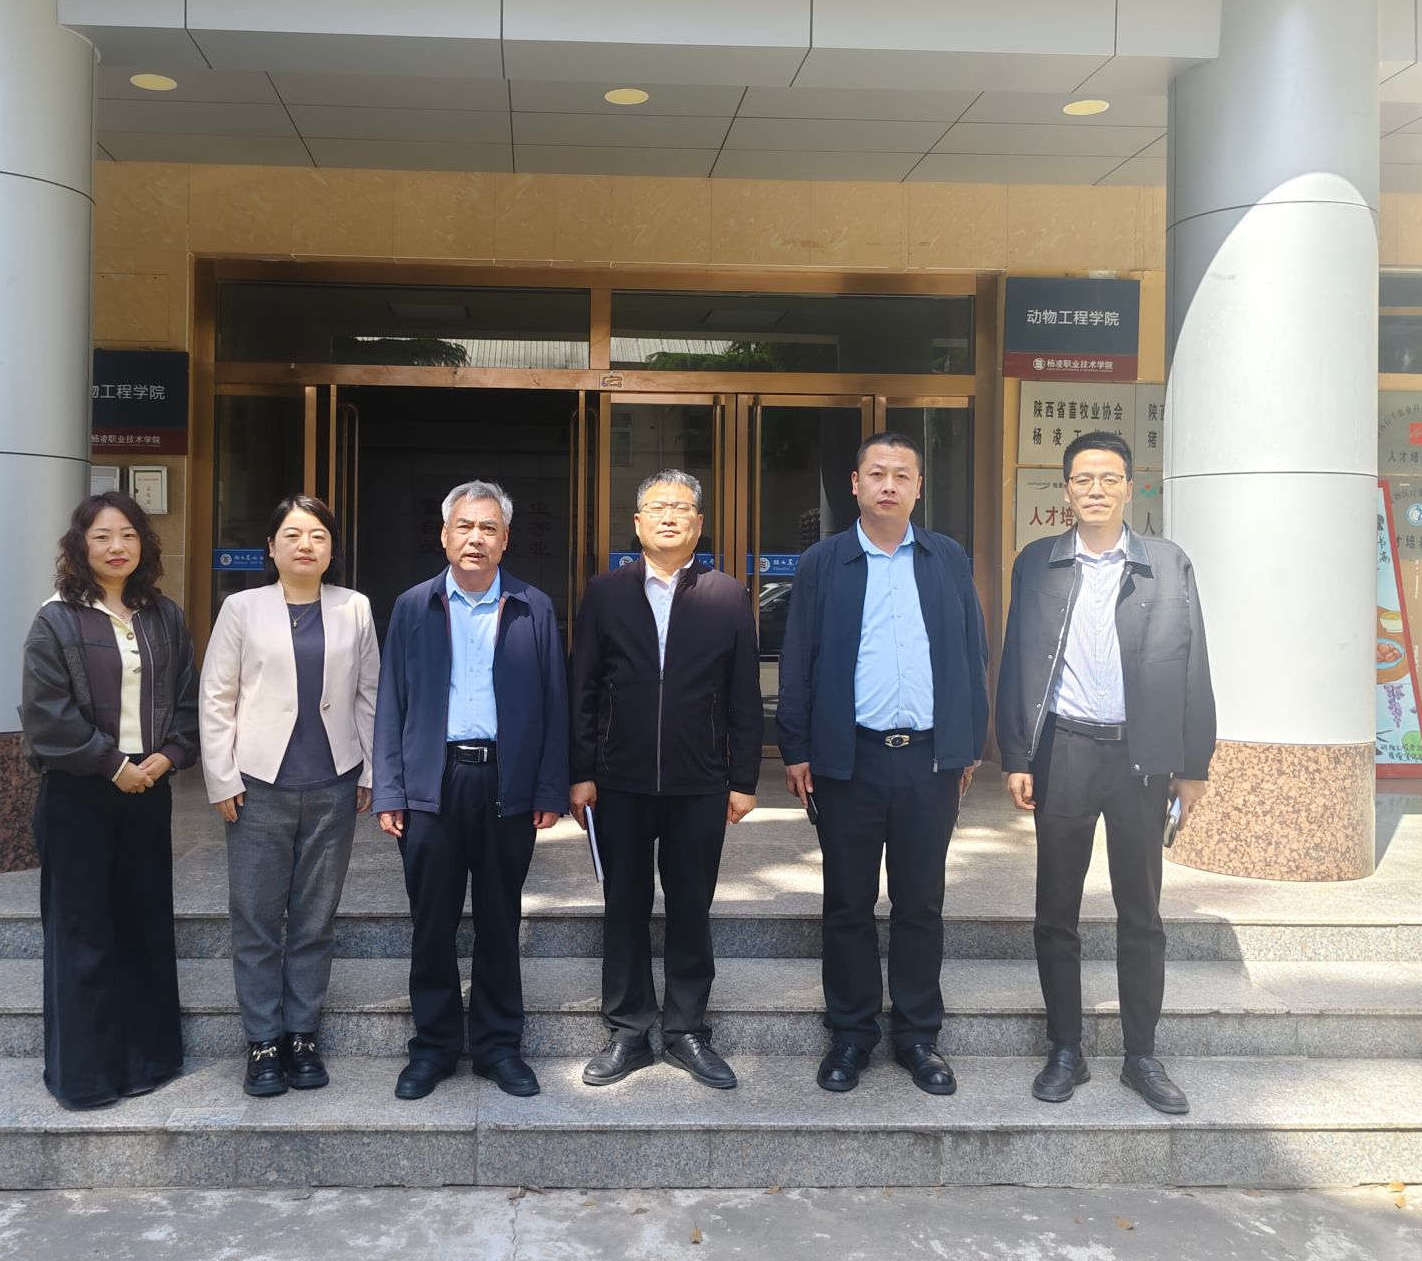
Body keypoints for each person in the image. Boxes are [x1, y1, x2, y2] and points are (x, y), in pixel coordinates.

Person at [996, 430, 1216, 1116]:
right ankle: (1066, 1048)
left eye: (1109, 478)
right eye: (1083, 479)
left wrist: (1193, 764)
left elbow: (1194, 665)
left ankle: (1141, 1055)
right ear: (1066, 490)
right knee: (1055, 910)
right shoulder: (1037, 562)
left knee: (1140, 912)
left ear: (1130, 487)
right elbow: (1016, 661)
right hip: (1064, 750)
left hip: (1141, 758)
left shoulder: (1167, 563)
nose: (1096, 489)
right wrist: (1016, 755)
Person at [776, 433, 988, 1096]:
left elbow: (972, 653)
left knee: (921, 901)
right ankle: (851, 1033)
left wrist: (968, 743)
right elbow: (798, 658)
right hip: (850, 760)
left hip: (927, 759)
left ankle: (918, 1035)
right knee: (848, 901)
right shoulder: (824, 562)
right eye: (877, 473)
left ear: (918, 487)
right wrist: (797, 748)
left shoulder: (946, 557)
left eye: (902, 475)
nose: (889, 485)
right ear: (855, 484)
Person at [372, 480, 569, 1101]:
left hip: (506, 783)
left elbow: (555, 702)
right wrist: (390, 790)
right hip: (432, 783)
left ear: (505, 540)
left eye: (488, 528)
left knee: (499, 920)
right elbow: (391, 703)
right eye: (465, 526)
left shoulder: (533, 607)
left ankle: (497, 1047)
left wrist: (549, 788)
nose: (475, 538)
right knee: (431, 922)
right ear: (444, 535)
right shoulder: (414, 606)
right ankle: (432, 1048)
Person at [568, 470, 761, 1091]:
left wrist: (743, 778)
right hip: (618, 781)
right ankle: (628, 1031)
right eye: (657, 507)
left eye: (681, 508)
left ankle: (686, 1030)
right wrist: (580, 772)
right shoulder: (605, 592)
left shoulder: (728, 595)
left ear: (699, 524)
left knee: (690, 907)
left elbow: (744, 694)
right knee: (624, 905)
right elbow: (583, 687)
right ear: (637, 522)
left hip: (700, 780)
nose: (669, 517)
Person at [19, 491, 199, 1111]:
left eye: (127, 534)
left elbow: (186, 700)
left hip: (148, 789)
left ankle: (148, 1060)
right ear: (80, 546)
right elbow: (46, 714)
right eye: (101, 536)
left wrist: (169, 755)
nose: (116, 546)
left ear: (144, 543)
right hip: (79, 795)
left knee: (144, 925)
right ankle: (86, 1076)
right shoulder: (57, 619)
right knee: (82, 932)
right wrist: (110, 764)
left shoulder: (164, 616)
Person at [199, 495, 379, 1098]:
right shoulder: (241, 608)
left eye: (319, 536)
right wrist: (222, 777)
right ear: (271, 547)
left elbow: (370, 695)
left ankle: (302, 1035)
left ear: (332, 548)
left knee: (314, 919)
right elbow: (216, 697)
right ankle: (261, 1041)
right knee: (255, 918)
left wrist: (370, 771)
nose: (306, 545)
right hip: (257, 786)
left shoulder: (355, 607)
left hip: (333, 782)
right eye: (293, 535)